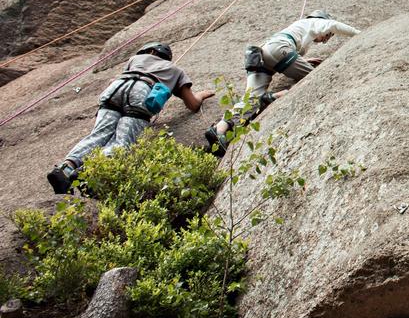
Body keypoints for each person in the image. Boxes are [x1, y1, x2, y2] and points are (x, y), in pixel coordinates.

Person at [47, 42, 214, 194]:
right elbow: (192, 104)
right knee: (122, 142)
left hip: (115, 89)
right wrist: (200, 96)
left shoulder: (135, 59)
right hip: (142, 92)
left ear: (149, 51)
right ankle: (90, 171)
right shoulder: (176, 71)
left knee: (98, 135)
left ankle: (66, 168)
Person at [205, 10, 359, 155]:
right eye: (328, 35)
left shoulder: (298, 29)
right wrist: (359, 34)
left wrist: (302, 60)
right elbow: (333, 25)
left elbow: (279, 51)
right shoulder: (315, 22)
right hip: (279, 49)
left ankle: (219, 129)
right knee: (317, 79)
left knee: (251, 100)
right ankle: (275, 96)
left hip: (262, 54)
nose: (326, 39)